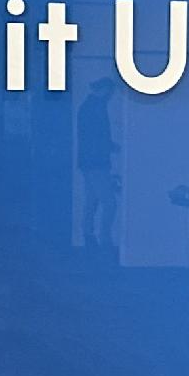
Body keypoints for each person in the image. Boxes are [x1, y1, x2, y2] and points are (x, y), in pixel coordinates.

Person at [75, 75, 121, 254]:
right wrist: (111, 147)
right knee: (109, 203)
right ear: (105, 90)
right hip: (97, 162)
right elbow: (99, 137)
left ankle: (89, 237)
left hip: (88, 162)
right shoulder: (97, 108)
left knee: (91, 201)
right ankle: (104, 239)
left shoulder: (87, 107)